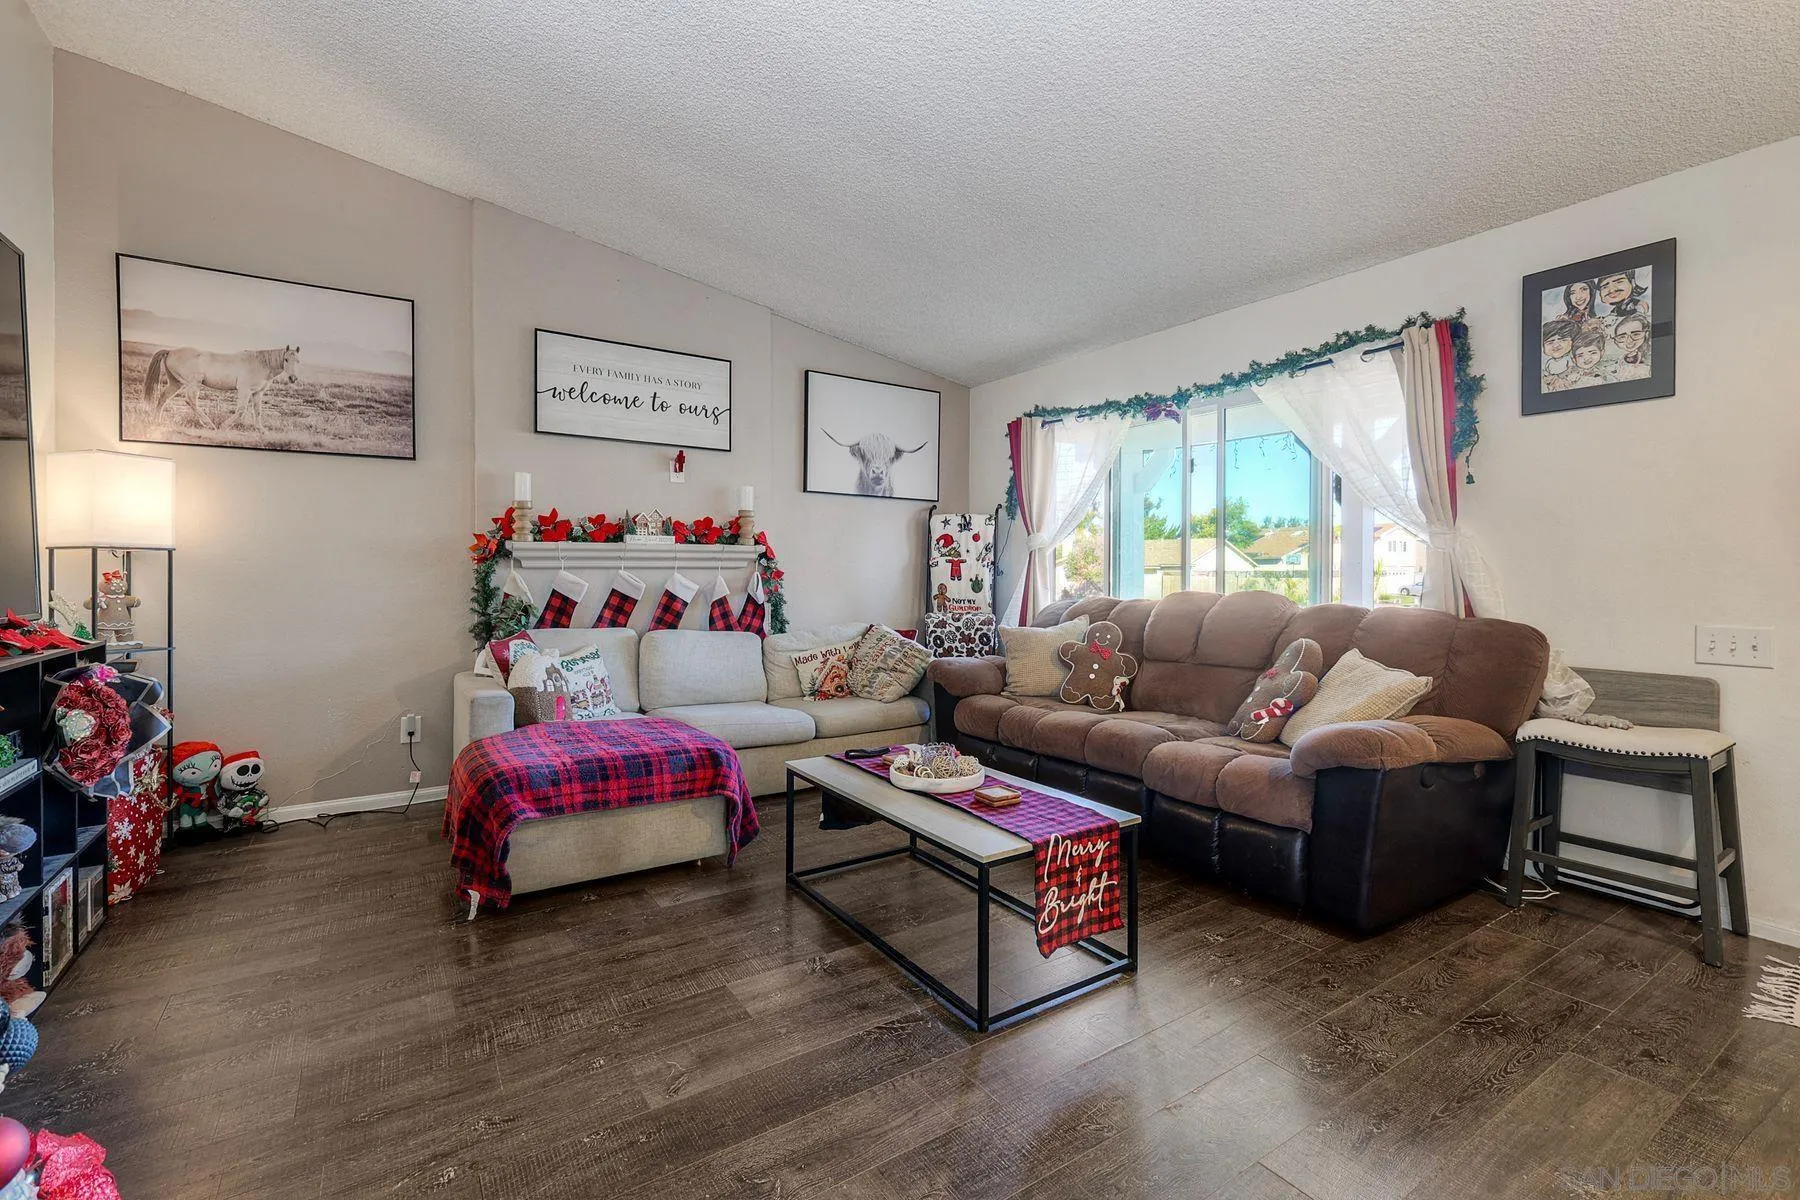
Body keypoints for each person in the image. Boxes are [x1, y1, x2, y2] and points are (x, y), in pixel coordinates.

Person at [1611, 313, 1651, 381]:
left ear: (1646, 333)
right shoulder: (1622, 358)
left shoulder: (1649, 356)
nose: (1629, 341)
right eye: (1622, 337)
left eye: (1636, 334)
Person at [1541, 318, 1579, 390]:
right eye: (1550, 342)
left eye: (1562, 340)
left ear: (1572, 342)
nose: (1555, 345)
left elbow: (1572, 371)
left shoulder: (1570, 359)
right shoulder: (1548, 362)